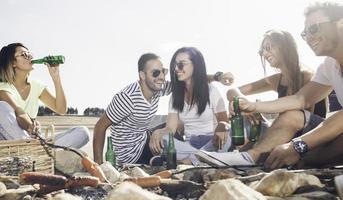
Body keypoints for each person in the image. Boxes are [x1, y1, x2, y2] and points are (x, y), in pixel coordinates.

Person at [212, 1, 343, 169]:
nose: (309, 37)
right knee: (291, 119)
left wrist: (297, 145)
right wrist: (252, 106)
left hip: (323, 134)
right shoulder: (328, 67)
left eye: (314, 28)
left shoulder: (307, 74)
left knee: (295, 124)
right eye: (305, 33)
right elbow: (301, 99)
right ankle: (250, 157)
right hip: (326, 135)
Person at [93, 53, 234, 166]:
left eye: (164, 71)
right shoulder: (127, 98)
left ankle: (184, 157)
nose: (161, 77)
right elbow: (100, 127)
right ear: (142, 75)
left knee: (171, 128)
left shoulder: (158, 87)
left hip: (143, 138)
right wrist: (98, 165)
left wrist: (217, 77)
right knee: (170, 133)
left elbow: (190, 78)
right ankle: (195, 157)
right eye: (155, 73)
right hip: (132, 153)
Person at [226, 30, 326, 150]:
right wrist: (247, 105)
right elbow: (232, 90)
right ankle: (240, 153)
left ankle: (247, 154)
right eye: (261, 51)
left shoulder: (307, 75)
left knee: (292, 116)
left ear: (284, 47)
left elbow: (302, 122)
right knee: (246, 116)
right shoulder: (276, 79)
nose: (264, 53)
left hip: (309, 135)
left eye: (268, 47)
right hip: (284, 131)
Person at [149, 47, 232, 163]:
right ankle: (201, 160)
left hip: (213, 142)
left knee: (231, 133)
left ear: (195, 65)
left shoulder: (211, 91)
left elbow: (224, 122)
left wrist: (222, 125)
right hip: (189, 145)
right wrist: (158, 132)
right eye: (175, 65)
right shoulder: (175, 97)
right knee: (164, 138)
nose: (176, 69)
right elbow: (170, 129)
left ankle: (188, 161)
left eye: (182, 64)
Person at [0, 43, 89, 148]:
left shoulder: (36, 86)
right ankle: (38, 149)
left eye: (30, 54)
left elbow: (61, 109)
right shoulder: (3, 87)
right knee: (2, 107)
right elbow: (20, 113)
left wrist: (56, 78)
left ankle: (39, 151)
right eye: (24, 54)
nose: (30, 57)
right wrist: (31, 125)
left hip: (35, 139)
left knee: (82, 132)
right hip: (13, 140)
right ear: (13, 62)